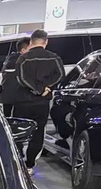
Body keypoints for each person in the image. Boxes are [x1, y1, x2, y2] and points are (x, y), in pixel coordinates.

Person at [13, 29, 65, 173]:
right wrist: (46, 88)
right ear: (46, 42)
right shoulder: (54, 58)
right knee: (38, 132)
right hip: (42, 102)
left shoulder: (23, 59)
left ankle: (18, 162)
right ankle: (30, 164)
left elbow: (22, 79)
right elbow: (60, 75)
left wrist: (37, 89)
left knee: (19, 131)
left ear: (31, 42)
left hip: (23, 101)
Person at [0, 37, 30, 117]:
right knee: (18, 119)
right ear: (23, 50)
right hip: (18, 97)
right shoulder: (20, 61)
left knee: (7, 118)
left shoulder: (10, 59)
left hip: (7, 96)